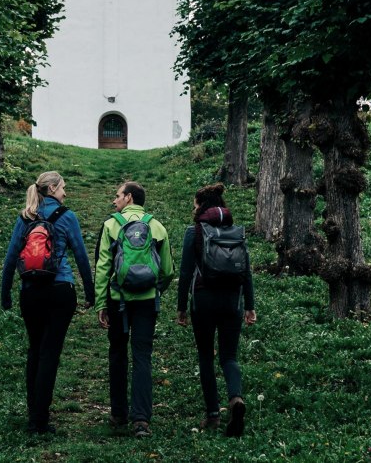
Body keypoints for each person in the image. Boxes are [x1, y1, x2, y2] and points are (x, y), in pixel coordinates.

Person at [0, 171, 95, 435]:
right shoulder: (67, 216)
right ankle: (40, 421)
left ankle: (34, 415)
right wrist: (90, 293)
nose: (65, 192)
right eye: (63, 187)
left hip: (29, 292)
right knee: (49, 353)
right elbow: (81, 257)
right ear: (52, 188)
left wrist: (5, 295)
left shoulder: (26, 216)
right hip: (60, 290)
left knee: (35, 350)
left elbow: (10, 259)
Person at [94, 180, 175, 437]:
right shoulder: (156, 226)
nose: (114, 200)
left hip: (118, 300)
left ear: (129, 198)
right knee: (142, 355)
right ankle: (141, 420)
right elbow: (168, 270)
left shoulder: (110, 225)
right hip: (147, 300)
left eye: (117, 195)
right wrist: (155, 289)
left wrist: (101, 302)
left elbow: (103, 267)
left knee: (117, 352)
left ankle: (118, 413)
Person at [175, 183, 257, 437]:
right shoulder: (235, 232)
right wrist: (250, 306)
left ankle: (212, 415)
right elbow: (246, 272)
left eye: (195, 203)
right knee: (229, 357)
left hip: (204, 301)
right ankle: (235, 399)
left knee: (205, 356)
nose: (193, 207)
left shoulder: (195, 232)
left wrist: (181, 308)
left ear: (202, 205)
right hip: (233, 301)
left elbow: (186, 272)